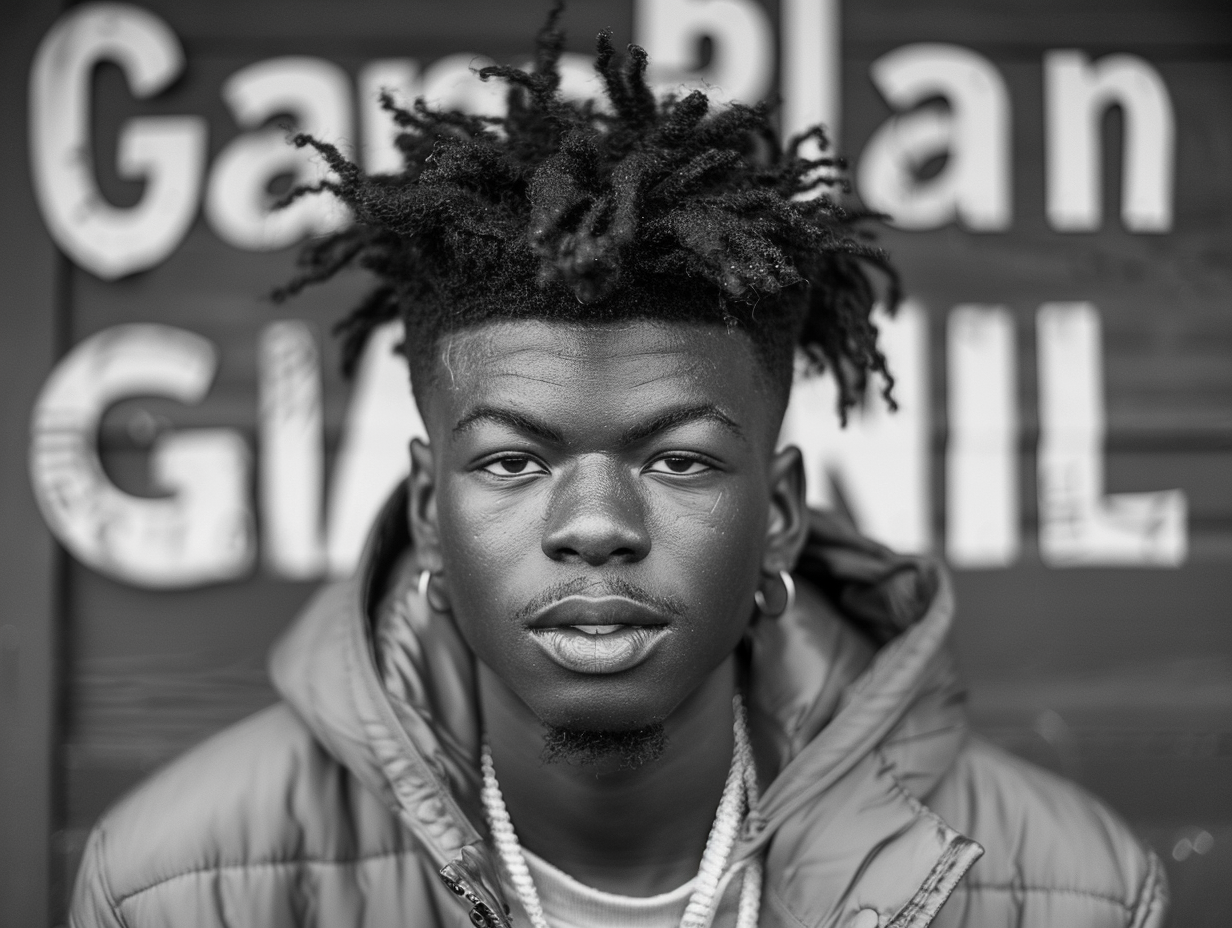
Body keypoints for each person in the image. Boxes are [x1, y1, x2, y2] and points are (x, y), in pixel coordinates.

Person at [70, 9, 1167, 928]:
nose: (594, 524)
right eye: (509, 460)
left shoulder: (1068, 892)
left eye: (680, 460)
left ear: (777, 513)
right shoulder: (179, 885)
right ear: (428, 511)